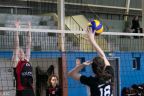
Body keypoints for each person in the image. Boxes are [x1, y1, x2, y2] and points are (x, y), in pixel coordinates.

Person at [68, 27, 114, 96]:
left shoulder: (91, 81)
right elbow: (103, 55)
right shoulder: (110, 73)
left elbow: (70, 74)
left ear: (93, 69)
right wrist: (92, 40)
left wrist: (82, 65)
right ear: (104, 65)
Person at [12, 20, 34, 96]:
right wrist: (16, 30)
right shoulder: (16, 62)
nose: (21, 52)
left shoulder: (26, 60)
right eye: (19, 52)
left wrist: (29, 30)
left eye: (22, 51)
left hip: (30, 90)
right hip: (21, 91)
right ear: (16, 54)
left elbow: (28, 45)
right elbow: (16, 45)